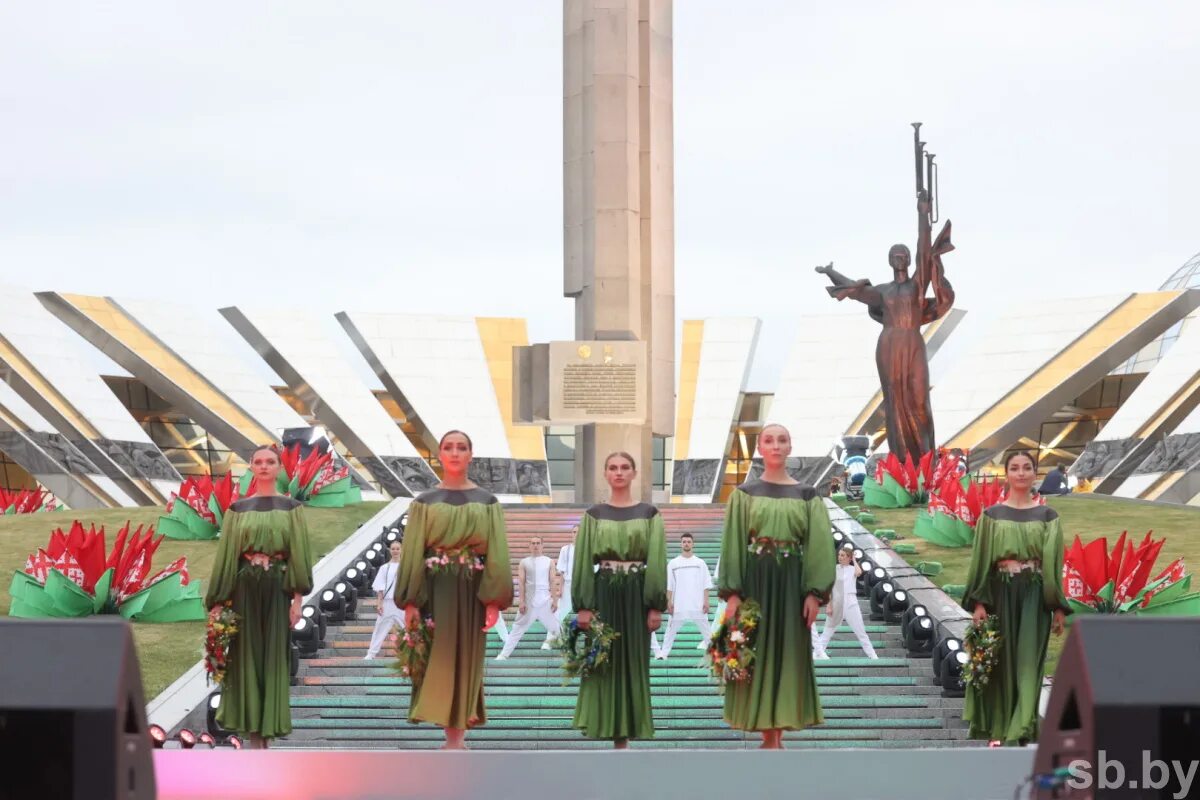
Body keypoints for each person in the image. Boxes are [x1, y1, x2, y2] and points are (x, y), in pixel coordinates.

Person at [717, 423, 836, 749]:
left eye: (782, 440)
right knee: (752, 652)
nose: (775, 445)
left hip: (791, 586)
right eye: (769, 440)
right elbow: (733, 544)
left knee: (788, 651)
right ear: (760, 448)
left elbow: (819, 547)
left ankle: (777, 734)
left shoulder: (808, 496)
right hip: (755, 583)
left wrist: (814, 591)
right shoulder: (743, 495)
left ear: (790, 447)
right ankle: (765, 734)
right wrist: (733, 594)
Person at [394, 430, 513, 750]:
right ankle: (448, 732)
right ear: (440, 455)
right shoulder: (423, 503)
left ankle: (458, 737)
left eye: (462, 447)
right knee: (438, 658)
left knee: (467, 658)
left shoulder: (487, 502)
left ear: (471, 455)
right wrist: (411, 602)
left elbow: (496, 554)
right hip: (435, 589)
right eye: (449, 447)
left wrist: (492, 600)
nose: (456, 452)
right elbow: (413, 552)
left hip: (472, 589)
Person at [205, 445, 314, 749]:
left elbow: (298, 555)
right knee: (245, 658)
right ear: (250, 467)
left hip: (278, 590)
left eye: (270, 462)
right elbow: (226, 558)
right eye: (258, 462)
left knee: (272, 659)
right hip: (244, 592)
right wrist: (217, 604)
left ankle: (265, 735)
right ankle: (254, 739)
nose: (264, 466)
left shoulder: (292, 508)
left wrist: (297, 601)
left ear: (280, 468)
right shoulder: (238, 510)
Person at [962, 450, 1069, 747]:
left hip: (1034, 594)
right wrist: (980, 602)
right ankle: (999, 728)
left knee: (1028, 662)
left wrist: (1057, 606)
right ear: (1006, 473)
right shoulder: (992, 515)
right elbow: (981, 560)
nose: (1021, 473)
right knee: (1001, 661)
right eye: (1014, 468)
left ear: (1035, 473)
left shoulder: (1048, 516)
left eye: (1026, 468)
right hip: (1000, 592)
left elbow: (1053, 564)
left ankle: (1021, 727)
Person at [572, 452, 667, 748]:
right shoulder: (594, 515)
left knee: (634, 662)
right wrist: (584, 605)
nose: (619, 472)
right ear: (605, 473)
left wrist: (654, 604)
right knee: (603, 661)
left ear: (634, 473)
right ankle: (609, 730)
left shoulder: (649, 513)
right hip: (603, 594)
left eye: (625, 467)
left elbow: (658, 559)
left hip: (637, 594)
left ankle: (627, 732)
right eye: (613, 467)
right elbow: (583, 560)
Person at [652, 533, 713, 659]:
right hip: (678, 605)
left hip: (697, 604)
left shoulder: (700, 563)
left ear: (693, 544)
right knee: (670, 632)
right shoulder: (673, 564)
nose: (686, 543)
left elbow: (705, 584)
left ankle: (715, 653)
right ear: (681, 544)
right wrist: (669, 601)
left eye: (689, 541)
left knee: (707, 631)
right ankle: (663, 654)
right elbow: (670, 585)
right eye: (684, 541)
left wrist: (706, 601)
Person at [496, 537, 559, 659]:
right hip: (529, 602)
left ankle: (573, 653)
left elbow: (552, 581)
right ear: (529, 546)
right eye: (533, 543)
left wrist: (555, 600)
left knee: (557, 630)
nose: (535, 545)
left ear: (542, 546)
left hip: (545, 601)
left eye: (538, 543)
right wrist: (522, 602)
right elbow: (521, 582)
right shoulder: (524, 562)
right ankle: (503, 654)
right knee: (517, 629)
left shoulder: (549, 561)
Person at [813, 545, 877, 660]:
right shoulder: (834, 569)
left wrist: (854, 560)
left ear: (848, 557)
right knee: (828, 631)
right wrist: (829, 605)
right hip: (836, 603)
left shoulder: (853, 569)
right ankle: (817, 654)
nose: (840, 557)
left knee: (861, 632)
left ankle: (873, 656)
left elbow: (859, 573)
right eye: (839, 555)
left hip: (851, 603)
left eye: (843, 555)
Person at [364, 540, 406, 660]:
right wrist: (379, 604)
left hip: (401, 603)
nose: (395, 551)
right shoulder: (384, 568)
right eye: (393, 549)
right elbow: (380, 588)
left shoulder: (405, 567)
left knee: (408, 629)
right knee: (380, 628)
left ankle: (413, 654)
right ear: (390, 550)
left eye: (398, 548)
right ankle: (371, 654)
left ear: (401, 550)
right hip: (387, 602)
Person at [555, 527, 578, 626]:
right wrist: (560, 589)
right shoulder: (565, 549)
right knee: (560, 613)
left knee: (590, 613)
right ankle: (551, 639)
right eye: (574, 532)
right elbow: (562, 571)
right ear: (571, 534)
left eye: (578, 532)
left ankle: (598, 640)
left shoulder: (589, 549)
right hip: (568, 584)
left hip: (583, 586)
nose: (576, 534)